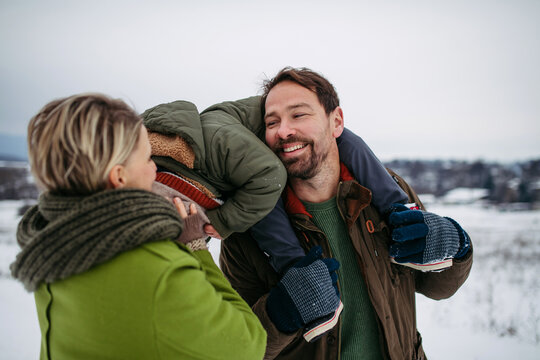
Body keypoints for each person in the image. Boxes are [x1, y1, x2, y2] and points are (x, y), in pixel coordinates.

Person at [219, 67, 473, 359]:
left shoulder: (387, 195)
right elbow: (234, 348)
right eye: (271, 121)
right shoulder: (248, 226)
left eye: (298, 115)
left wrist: (457, 245)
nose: (283, 131)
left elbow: (437, 287)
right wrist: (279, 315)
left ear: (336, 121)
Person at [9, 93, 266, 360]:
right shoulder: (161, 269)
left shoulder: (49, 249)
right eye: (146, 159)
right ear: (119, 177)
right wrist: (195, 248)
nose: (155, 169)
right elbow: (248, 345)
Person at [141, 96, 410, 339]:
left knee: (337, 150)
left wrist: (222, 222)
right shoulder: (208, 164)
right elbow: (236, 342)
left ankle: (399, 213)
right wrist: (280, 313)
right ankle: (301, 277)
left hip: (255, 159)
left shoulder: (217, 143)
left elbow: (271, 177)